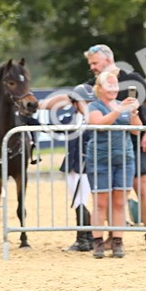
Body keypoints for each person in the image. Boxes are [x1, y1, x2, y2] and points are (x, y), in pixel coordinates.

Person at [85, 44, 146, 253]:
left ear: (108, 60)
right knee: (112, 192)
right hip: (110, 144)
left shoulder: (133, 78)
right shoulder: (96, 84)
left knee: (141, 187)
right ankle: (112, 236)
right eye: (90, 63)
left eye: (94, 62)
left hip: (136, 141)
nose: (91, 67)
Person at [86, 70, 139, 258]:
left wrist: (133, 114)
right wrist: (119, 110)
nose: (114, 89)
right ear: (99, 88)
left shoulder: (121, 106)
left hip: (124, 159)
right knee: (100, 203)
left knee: (119, 203)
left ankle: (118, 242)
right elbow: (99, 124)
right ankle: (98, 242)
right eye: (109, 85)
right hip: (100, 160)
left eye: (116, 85)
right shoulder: (94, 106)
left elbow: (136, 130)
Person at [60, 84, 94, 252]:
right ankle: (85, 238)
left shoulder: (93, 118)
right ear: (74, 104)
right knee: (77, 201)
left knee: (82, 199)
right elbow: (55, 128)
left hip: (87, 164)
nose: (86, 104)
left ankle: (85, 238)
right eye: (83, 101)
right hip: (73, 164)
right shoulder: (71, 118)